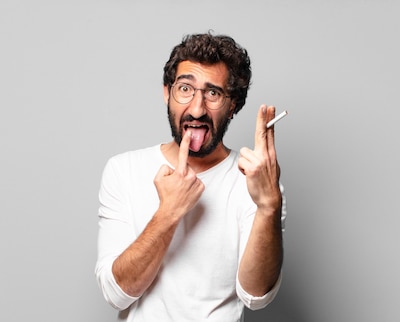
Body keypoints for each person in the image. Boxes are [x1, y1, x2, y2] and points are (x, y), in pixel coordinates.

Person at [95, 32, 286, 321]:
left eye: (213, 93)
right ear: (166, 93)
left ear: (233, 104)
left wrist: (269, 206)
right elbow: (117, 293)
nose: (196, 109)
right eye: (185, 89)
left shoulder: (256, 182)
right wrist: (169, 210)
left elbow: (256, 295)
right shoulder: (123, 170)